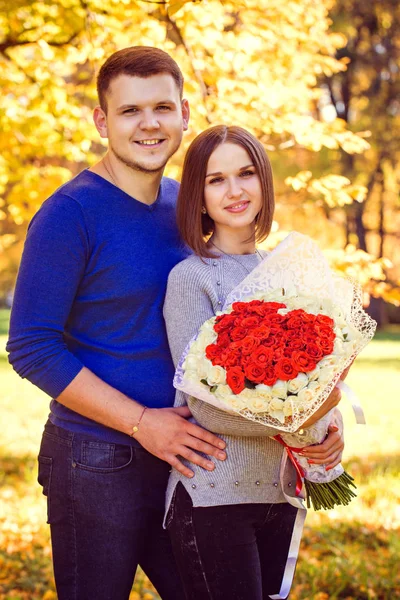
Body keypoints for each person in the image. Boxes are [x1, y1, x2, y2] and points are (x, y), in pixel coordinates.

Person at [7, 47, 343, 599]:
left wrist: (315, 417)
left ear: (184, 113)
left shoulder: (190, 205)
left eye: (162, 107)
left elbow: (238, 325)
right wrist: (143, 422)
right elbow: (31, 347)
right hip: (97, 460)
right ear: (102, 121)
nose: (149, 124)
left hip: (194, 461)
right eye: (130, 111)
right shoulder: (70, 214)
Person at [163, 125, 346, 600]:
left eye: (246, 174)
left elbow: (318, 374)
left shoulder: (286, 274)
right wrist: (304, 420)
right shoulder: (190, 279)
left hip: (280, 490)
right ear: (198, 197)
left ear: (263, 181)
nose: (235, 190)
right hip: (214, 494)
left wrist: (330, 426)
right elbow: (206, 407)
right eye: (216, 179)